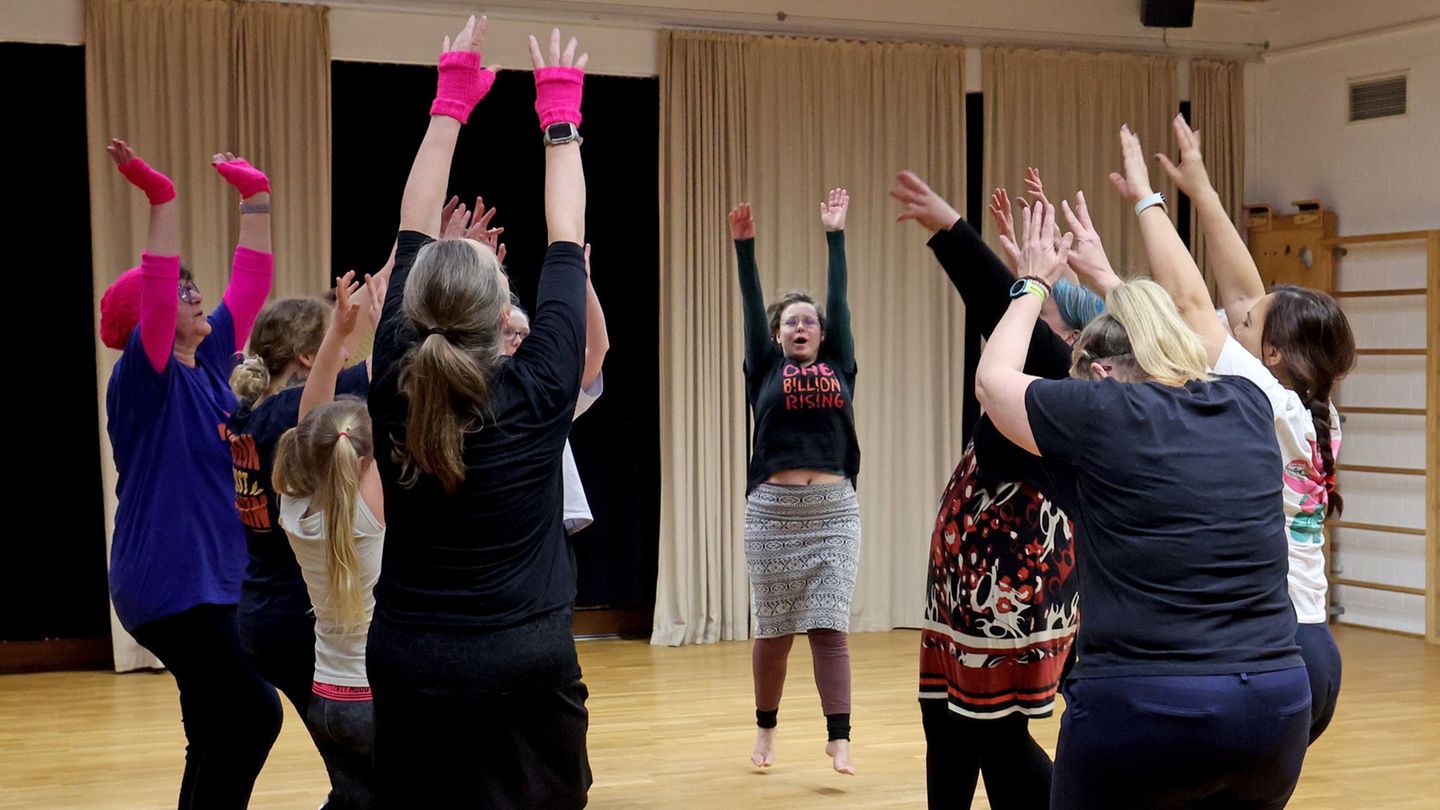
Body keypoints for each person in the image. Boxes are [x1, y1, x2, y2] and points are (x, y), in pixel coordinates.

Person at [976, 199, 1311, 809]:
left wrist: (1031, 283)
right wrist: (1109, 281)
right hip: (1276, 704)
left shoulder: (1105, 412)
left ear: (1101, 375)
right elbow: (1182, 337)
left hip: (1149, 708)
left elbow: (994, 383)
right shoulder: (1246, 403)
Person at [364, 17, 594, 806]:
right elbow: (568, 231)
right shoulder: (541, 384)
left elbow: (411, 223)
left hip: (407, 659)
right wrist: (558, 115)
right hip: (523, 660)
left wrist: (449, 102)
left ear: (414, 307)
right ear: (506, 313)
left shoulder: (393, 378)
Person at [891, 170, 1107, 809]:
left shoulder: (1060, 387)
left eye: (1036, 311)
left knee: (996, 739)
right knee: (944, 720)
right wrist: (1025, 271)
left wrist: (953, 231)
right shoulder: (1043, 372)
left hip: (1008, 587)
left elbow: (998, 307)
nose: (1021, 315)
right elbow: (1007, 310)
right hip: (966, 588)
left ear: (1066, 340)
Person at [1137, 115, 1356, 743]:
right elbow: (1238, 296)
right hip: (1314, 647)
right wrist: (1202, 191)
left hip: (1274, 651)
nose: (1236, 321)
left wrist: (1148, 199)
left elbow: (1189, 303)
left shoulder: (1265, 398)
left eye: (1248, 324)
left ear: (1276, 354)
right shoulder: (1315, 410)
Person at [99, 139, 281, 809]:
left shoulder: (206, 367)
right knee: (253, 715)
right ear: (148, 314)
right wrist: (163, 198)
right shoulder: (142, 380)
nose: (197, 293)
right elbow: (157, 281)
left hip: (211, 584)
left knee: (212, 725)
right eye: (181, 289)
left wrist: (255, 200)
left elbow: (250, 285)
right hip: (172, 586)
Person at [728, 187, 860, 775]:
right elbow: (752, 305)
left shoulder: (840, 367)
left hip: (834, 510)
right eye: (790, 322)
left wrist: (835, 235)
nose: (801, 326)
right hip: (773, 512)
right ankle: (765, 730)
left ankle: (840, 736)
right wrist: (744, 250)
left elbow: (841, 299)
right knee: (775, 630)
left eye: (809, 321)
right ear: (778, 335)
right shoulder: (763, 367)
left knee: (829, 627)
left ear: (823, 335)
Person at [273, 273, 387, 810]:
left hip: (327, 696)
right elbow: (390, 401)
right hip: (379, 698)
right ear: (367, 461)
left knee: (352, 799)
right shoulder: (372, 512)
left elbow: (310, 417)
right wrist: (384, 328)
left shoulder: (294, 509)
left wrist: (337, 337)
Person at [503, 243, 609, 536]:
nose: (517, 340)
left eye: (524, 334)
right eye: (508, 331)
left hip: (541, 529)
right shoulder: (471, 388)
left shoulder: (542, 391)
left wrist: (584, 286)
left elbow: (598, 350)